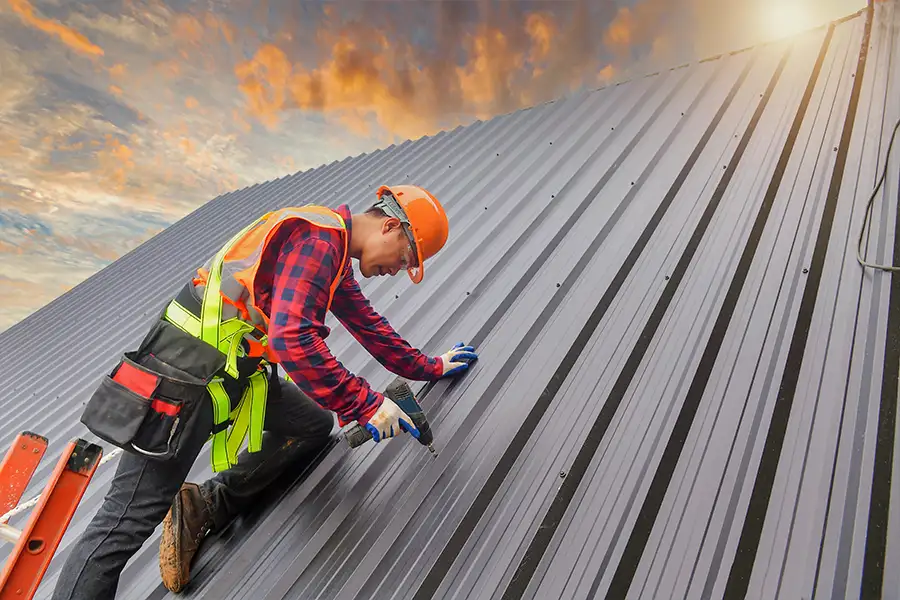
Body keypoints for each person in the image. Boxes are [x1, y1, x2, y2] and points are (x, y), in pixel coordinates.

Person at [52, 184, 479, 599]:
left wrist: (429, 366)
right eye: (407, 257)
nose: (399, 270)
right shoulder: (318, 239)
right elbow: (293, 338)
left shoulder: (331, 251)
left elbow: (368, 325)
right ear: (390, 227)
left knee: (311, 424)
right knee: (122, 525)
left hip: (234, 374)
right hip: (182, 379)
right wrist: (363, 403)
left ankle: (205, 505)